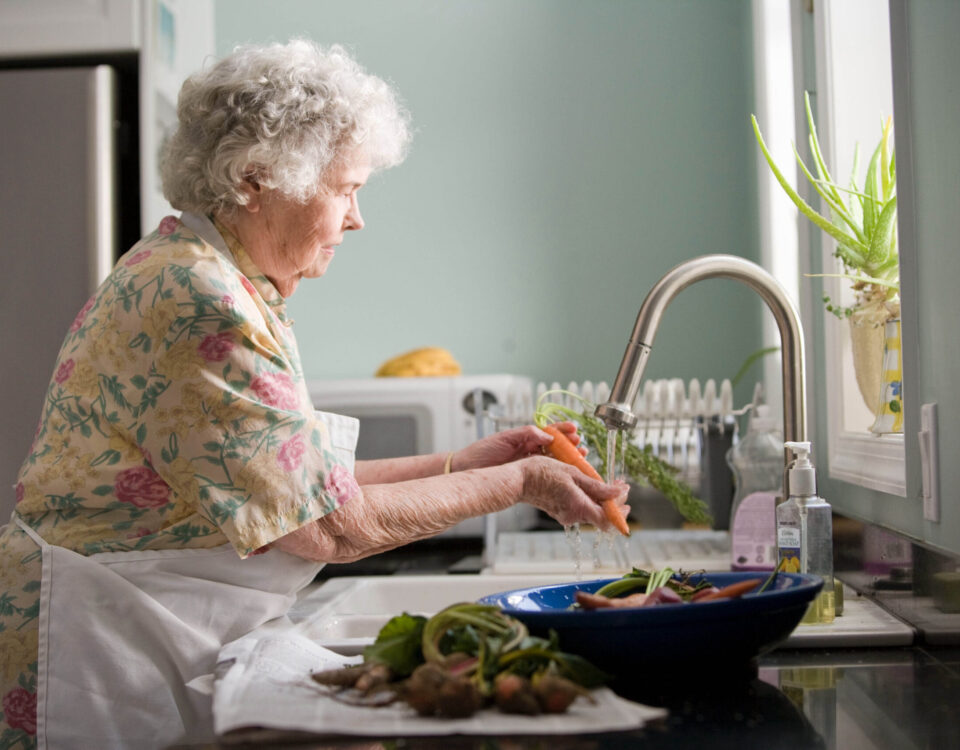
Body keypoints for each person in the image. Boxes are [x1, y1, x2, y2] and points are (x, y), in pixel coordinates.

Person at [0, 39, 628, 748]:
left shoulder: (214, 278)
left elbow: (297, 487)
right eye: (345, 188)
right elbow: (328, 526)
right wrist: (522, 481)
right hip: (94, 649)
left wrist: (470, 463)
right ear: (258, 178)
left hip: (138, 627)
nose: (357, 218)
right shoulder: (197, 297)